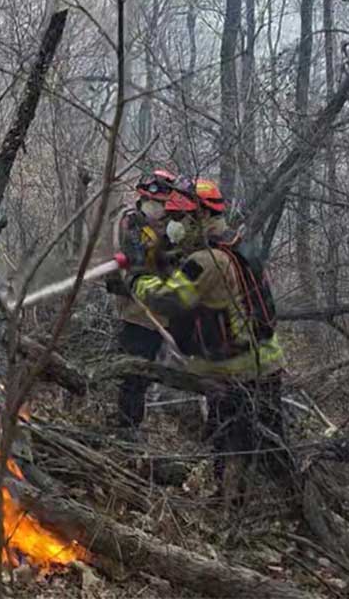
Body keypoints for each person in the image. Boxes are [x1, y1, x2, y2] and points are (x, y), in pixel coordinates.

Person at [122, 178, 292, 503]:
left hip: (236, 372)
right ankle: (283, 502)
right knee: (272, 444)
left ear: (198, 217)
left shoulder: (207, 261)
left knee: (228, 442)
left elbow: (168, 299)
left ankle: (233, 507)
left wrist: (137, 278)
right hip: (268, 362)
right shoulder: (238, 244)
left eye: (179, 218)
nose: (173, 224)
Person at [106, 169, 180, 430]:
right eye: (158, 204)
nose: (161, 210)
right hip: (139, 315)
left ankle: (158, 416)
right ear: (145, 200)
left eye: (164, 204)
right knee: (135, 375)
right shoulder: (132, 225)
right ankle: (128, 429)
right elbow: (134, 268)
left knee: (158, 372)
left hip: (165, 313)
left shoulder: (170, 228)